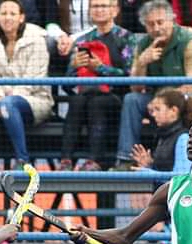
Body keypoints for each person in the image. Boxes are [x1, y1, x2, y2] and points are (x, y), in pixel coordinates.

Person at [113, 0, 192, 169]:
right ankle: (125, 159)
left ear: (172, 20)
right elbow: (135, 88)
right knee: (131, 100)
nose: (156, 28)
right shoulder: (143, 45)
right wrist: (142, 62)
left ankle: (186, 159)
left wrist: (162, 101)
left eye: (160, 22)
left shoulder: (190, 42)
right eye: (150, 24)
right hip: (162, 102)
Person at [0, 0, 53, 170]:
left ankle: (23, 160)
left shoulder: (37, 40)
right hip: (0, 97)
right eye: (3, 13)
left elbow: (32, 82)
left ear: (22, 17)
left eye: (12, 14)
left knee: (8, 104)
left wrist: (2, 103)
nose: (7, 18)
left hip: (35, 99)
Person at [58, 0, 135, 172]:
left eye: (104, 6)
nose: (99, 10)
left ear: (115, 10)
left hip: (117, 99)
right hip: (85, 97)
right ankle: (65, 160)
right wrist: (75, 68)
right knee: (77, 100)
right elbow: (67, 85)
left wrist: (100, 68)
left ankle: (95, 160)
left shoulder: (126, 38)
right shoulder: (82, 40)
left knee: (97, 102)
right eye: (95, 6)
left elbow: (130, 76)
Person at [131, 88, 192, 173]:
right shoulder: (162, 136)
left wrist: (148, 173)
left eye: (158, 109)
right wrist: (150, 165)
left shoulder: (184, 138)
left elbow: (181, 176)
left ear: (173, 111)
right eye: (153, 110)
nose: (154, 114)